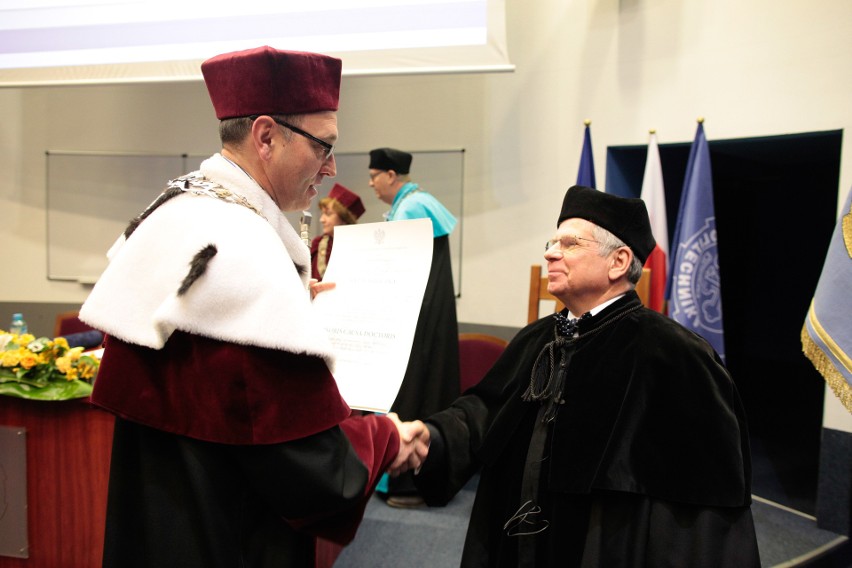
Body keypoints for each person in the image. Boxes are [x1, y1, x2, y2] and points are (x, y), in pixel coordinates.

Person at [79, 46, 426, 568]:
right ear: (265, 136)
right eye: (323, 146)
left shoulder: (178, 210)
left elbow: (209, 375)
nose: (332, 168)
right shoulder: (242, 251)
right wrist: (386, 437)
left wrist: (287, 302)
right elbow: (308, 467)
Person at [404, 185, 761, 567]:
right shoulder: (538, 338)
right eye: (552, 241)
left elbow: (698, 513)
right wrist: (435, 436)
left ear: (619, 261)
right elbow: (485, 412)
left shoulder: (676, 356)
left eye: (570, 244)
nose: (550, 252)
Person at [368, 147, 461, 507]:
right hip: (429, 320)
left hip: (412, 322)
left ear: (392, 176)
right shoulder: (421, 202)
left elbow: (395, 269)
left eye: (375, 175)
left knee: (409, 397)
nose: (372, 183)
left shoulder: (409, 209)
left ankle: (407, 485)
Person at [311, 183, 365, 281]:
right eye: (322, 214)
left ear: (344, 218)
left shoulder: (360, 247)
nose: (321, 220)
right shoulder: (318, 244)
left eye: (328, 214)